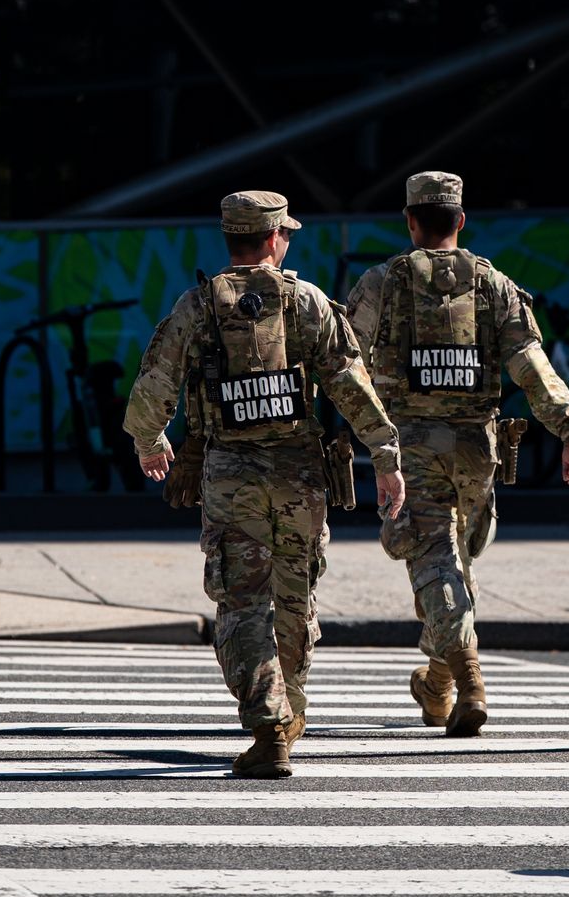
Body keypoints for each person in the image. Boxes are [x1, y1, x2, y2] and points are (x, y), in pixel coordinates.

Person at [125, 191, 406, 779]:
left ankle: (269, 722)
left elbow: (157, 379)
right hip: (302, 477)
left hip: (231, 479)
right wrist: (384, 454)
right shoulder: (307, 302)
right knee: (295, 598)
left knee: (242, 602)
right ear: (275, 237)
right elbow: (349, 384)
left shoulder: (198, 306)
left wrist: (150, 441)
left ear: (230, 239)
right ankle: (289, 712)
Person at [346, 171, 569, 736]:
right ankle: (437, 686)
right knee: (455, 567)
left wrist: (340, 429)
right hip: (478, 451)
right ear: (459, 220)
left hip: (411, 447)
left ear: (410, 222)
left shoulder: (382, 284)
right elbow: (530, 362)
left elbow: (343, 366)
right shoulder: (493, 284)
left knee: (434, 564)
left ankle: (469, 679)